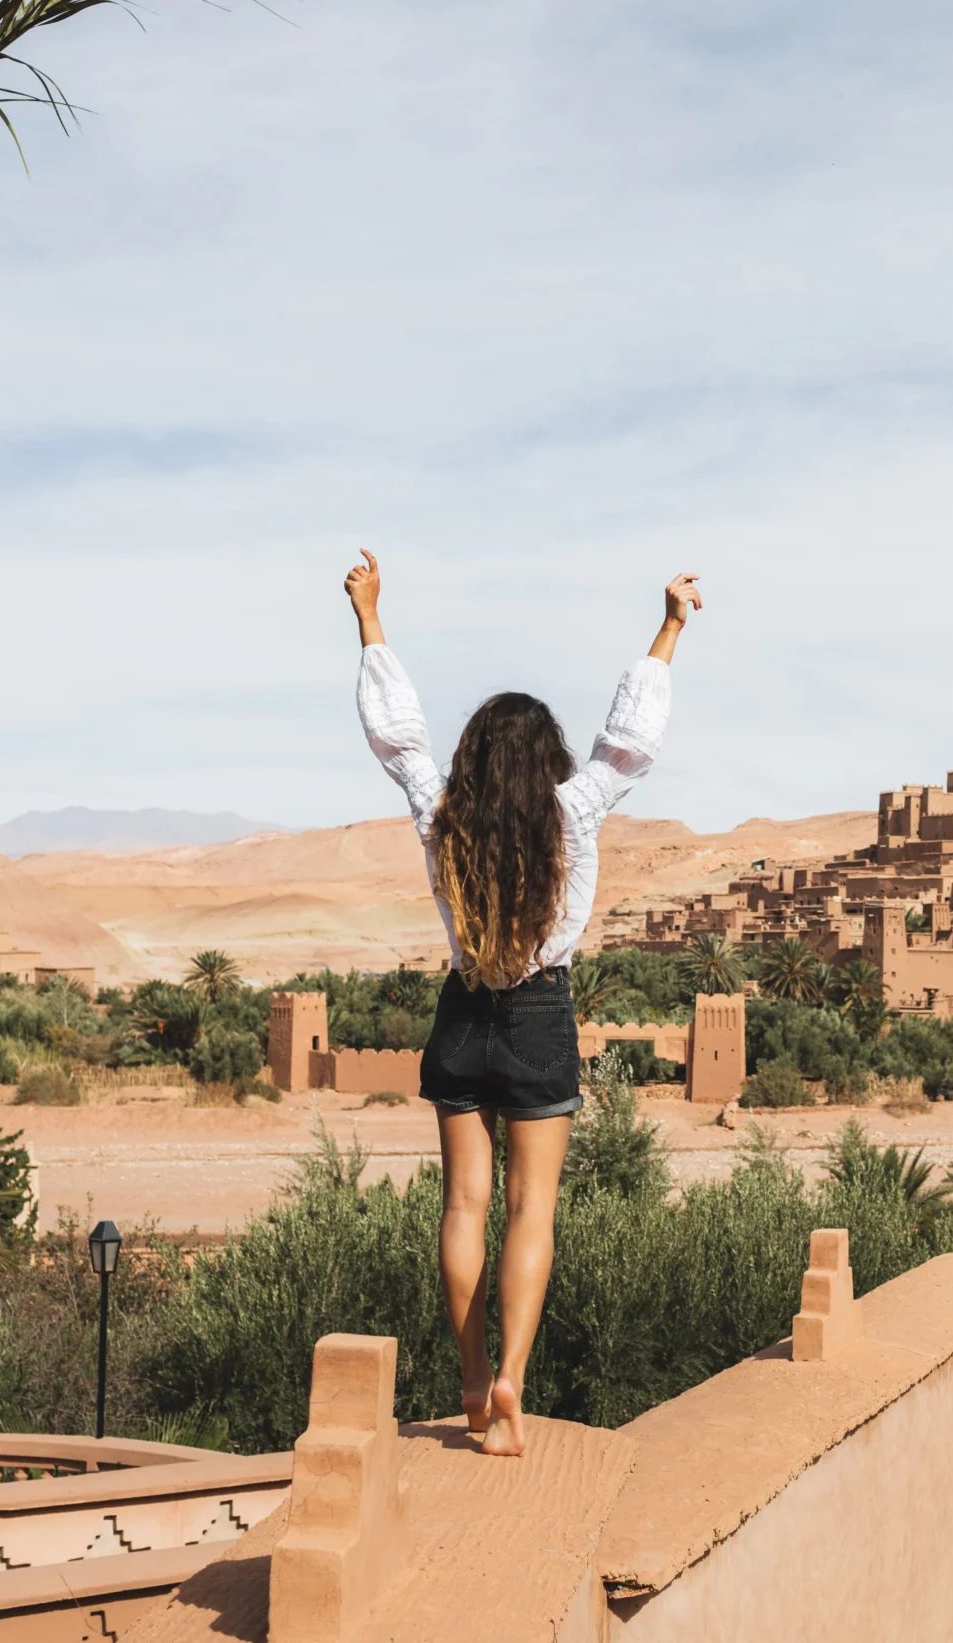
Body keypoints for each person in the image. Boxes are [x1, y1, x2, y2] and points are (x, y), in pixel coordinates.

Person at [344, 550, 701, 1457]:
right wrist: (667, 628)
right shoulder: (572, 811)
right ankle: (512, 1379)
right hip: (542, 1018)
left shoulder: (441, 814)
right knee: (529, 1213)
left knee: (465, 1206)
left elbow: (399, 742)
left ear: (474, 757)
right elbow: (631, 743)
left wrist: (370, 621)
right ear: (548, 755)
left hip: (461, 1018)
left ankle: (468, 1377)